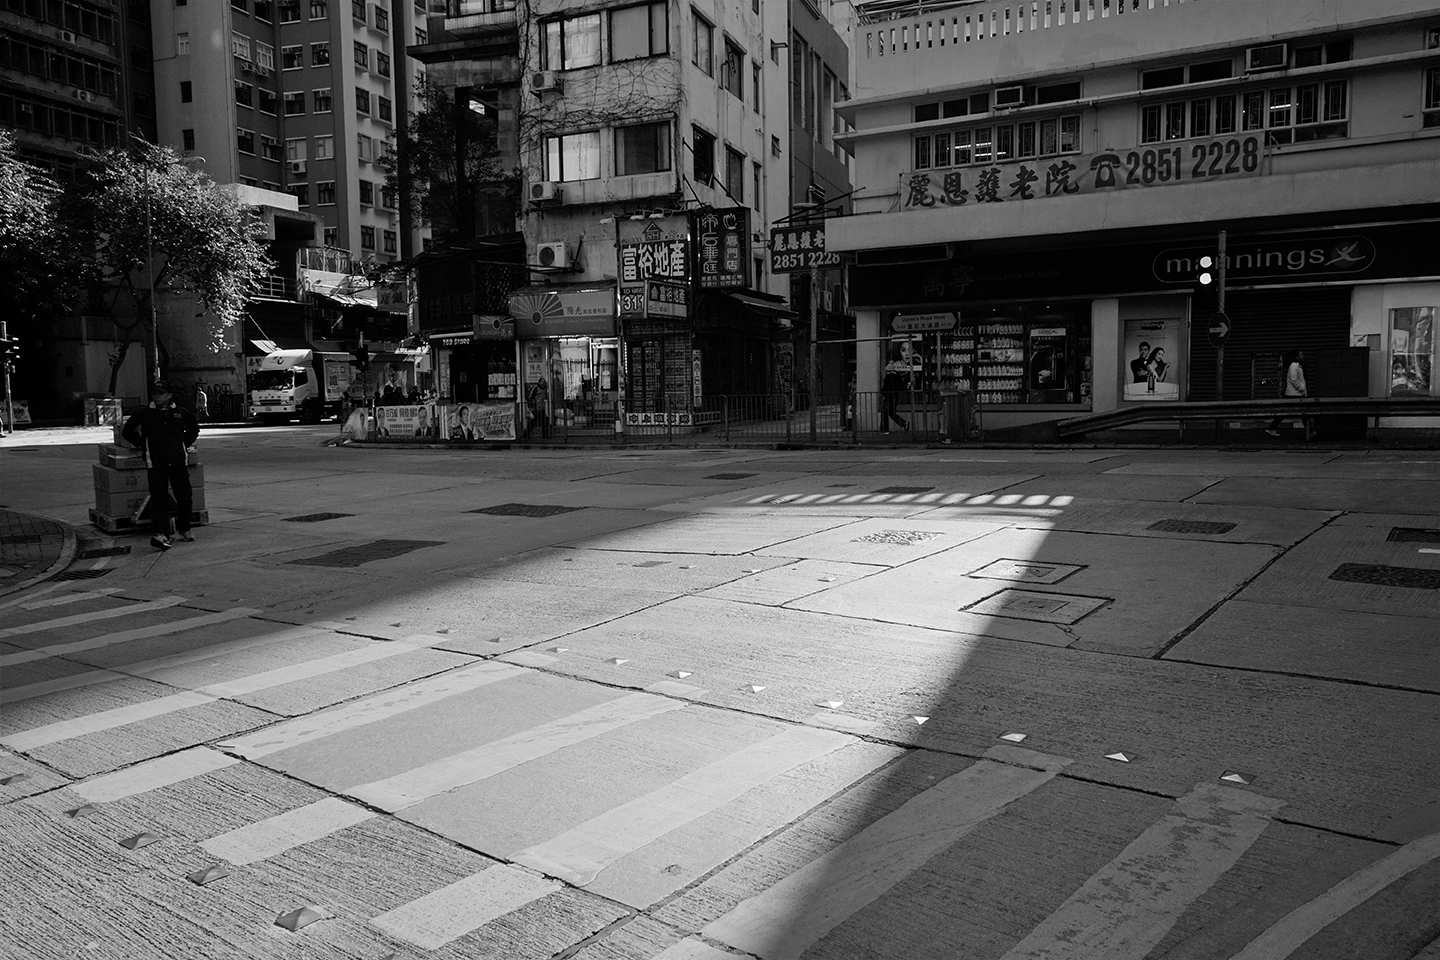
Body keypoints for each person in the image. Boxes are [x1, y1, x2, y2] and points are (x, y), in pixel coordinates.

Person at [122, 380, 199, 551]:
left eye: (161, 392)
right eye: (154, 392)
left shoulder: (181, 413)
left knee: (184, 497)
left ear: (170, 395)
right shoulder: (144, 413)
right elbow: (127, 431)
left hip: (178, 462)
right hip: (156, 463)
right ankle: (162, 534)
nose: (157, 396)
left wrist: (183, 444)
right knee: (159, 499)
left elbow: (194, 429)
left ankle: (185, 529)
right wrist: (143, 444)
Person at [1267, 349, 1309, 438]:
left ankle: (1272, 428)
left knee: (1287, 412)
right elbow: (1293, 379)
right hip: (1294, 394)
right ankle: (1311, 431)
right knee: (1303, 413)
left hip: (1295, 394)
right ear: (1296, 356)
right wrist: (1302, 389)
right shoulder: (1294, 366)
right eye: (1301, 354)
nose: (1303, 356)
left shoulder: (1297, 365)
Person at [881, 359, 909, 434]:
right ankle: (885, 428)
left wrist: (882, 393)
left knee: (888, 412)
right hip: (895, 397)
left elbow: (885, 388)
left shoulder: (888, 377)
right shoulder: (898, 377)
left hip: (888, 397)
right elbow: (902, 387)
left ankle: (901, 423)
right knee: (889, 412)